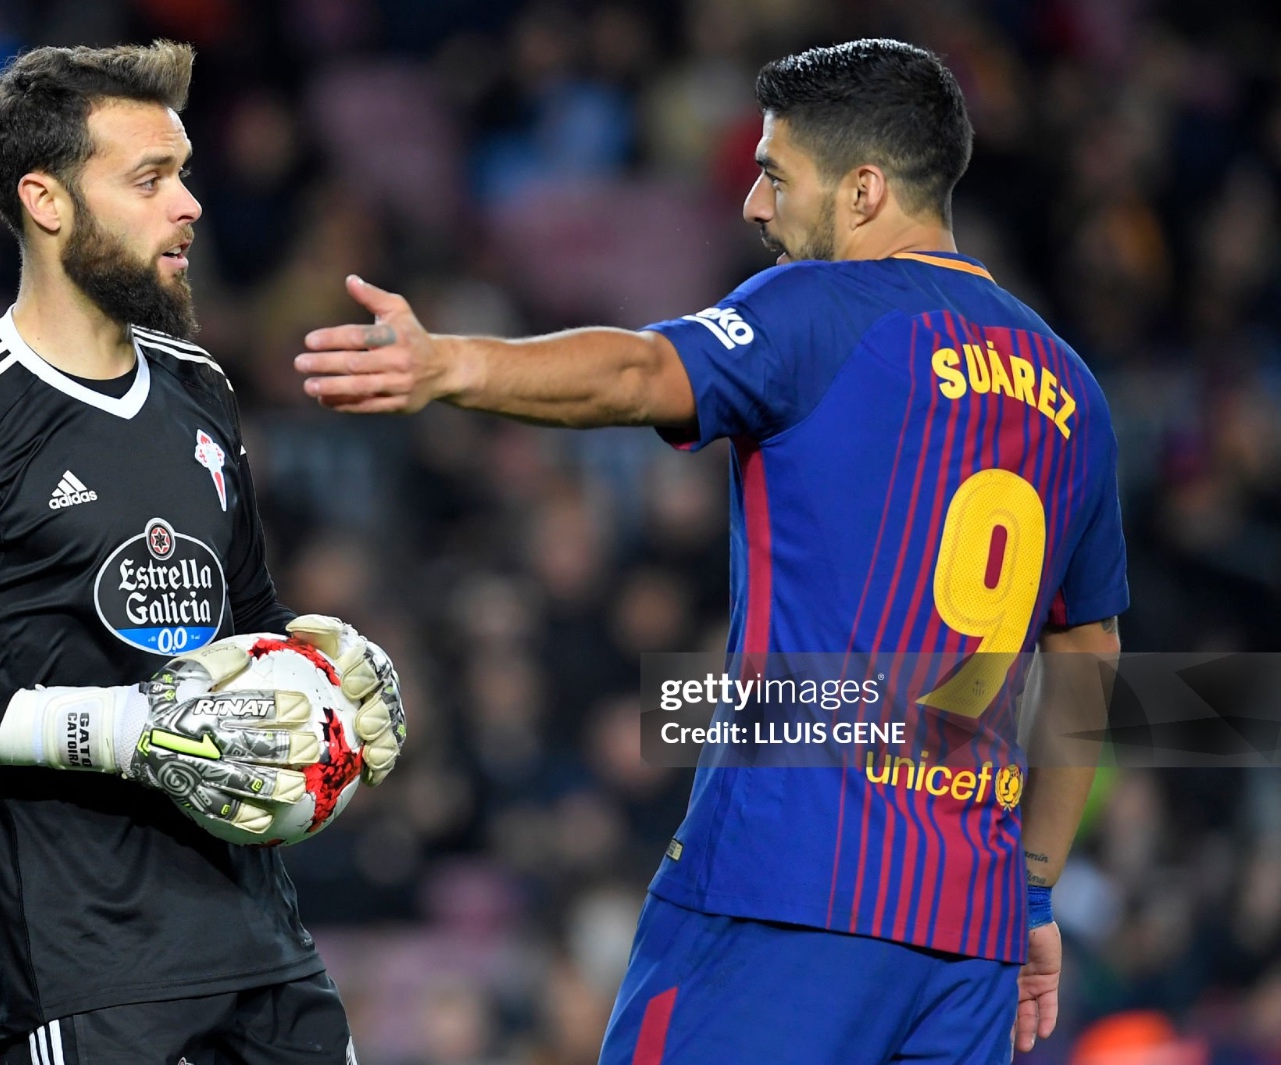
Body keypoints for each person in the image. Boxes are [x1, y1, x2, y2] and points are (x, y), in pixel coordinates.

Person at [296, 38, 1124, 1065]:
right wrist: (1032, 885)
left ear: (863, 191)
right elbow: (1087, 651)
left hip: (789, 889)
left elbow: (644, 370)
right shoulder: (1072, 389)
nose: (752, 205)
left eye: (776, 174)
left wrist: (453, 361)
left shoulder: (822, 311)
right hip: (965, 940)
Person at [0, 41, 402, 1064]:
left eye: (183, 173)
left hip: (263, 944)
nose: (188, 204)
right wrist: (117, 728)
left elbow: (249, 625)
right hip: (80, 967)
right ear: (46, 201)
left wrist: (325, 679)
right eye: (150, 179)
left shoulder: (199, 383)